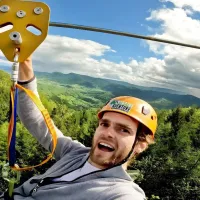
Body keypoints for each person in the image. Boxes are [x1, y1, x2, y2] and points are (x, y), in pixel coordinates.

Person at [4, 56, 157, 200]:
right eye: (104, 124)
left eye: (123, 130)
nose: (108, 133)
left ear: (140, 145)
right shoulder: (75, 153)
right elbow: (37, 121)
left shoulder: (120, 192)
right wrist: (25, 61)